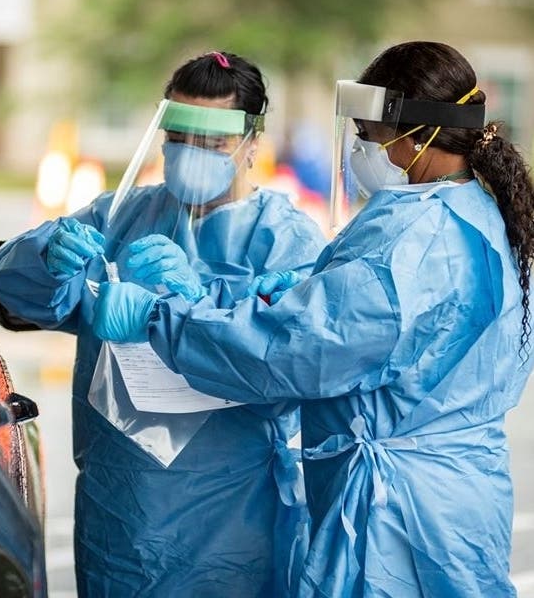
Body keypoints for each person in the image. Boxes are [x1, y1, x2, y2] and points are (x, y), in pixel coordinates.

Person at [92, 41, 534, 597]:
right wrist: (293, 293)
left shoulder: (411, 242)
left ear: (415, 138)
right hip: (459, 495)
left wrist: (161, 318)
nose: (359, 149)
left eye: (367, 136)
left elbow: (291, 351)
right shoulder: (475, 214)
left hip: (399, 519)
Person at [0, 51, 327, 596]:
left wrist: (198, 304)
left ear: (251, 143)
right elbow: (26, 293)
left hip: (234, 514)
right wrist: (45, 256)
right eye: (178, 139)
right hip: (121, 506)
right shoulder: (121, 216)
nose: (191, 155)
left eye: (211, 143)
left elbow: (289, 361)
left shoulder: (286, 241)